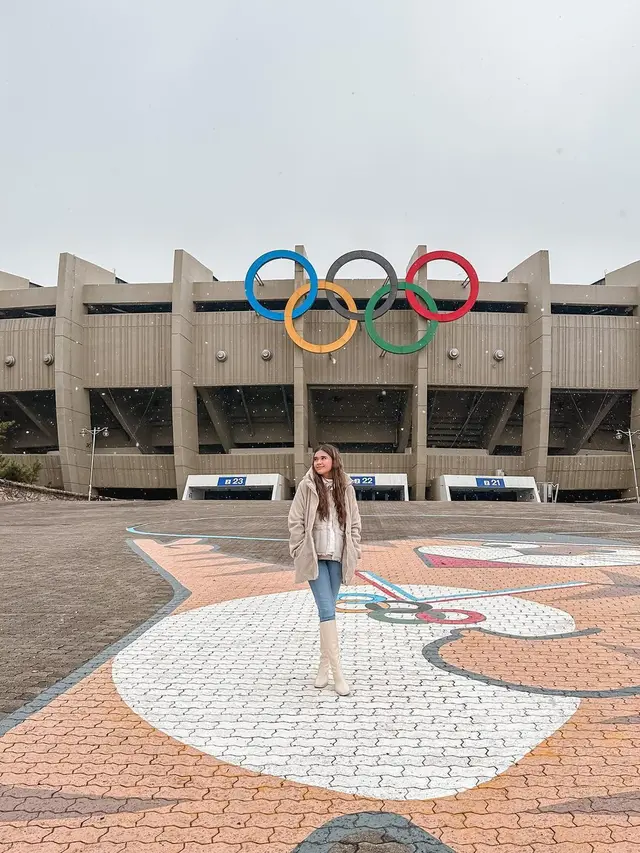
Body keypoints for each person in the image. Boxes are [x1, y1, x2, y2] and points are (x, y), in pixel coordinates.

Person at [287, 444, 362, 696]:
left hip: (338, 556)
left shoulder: (346, 488)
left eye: (323, 458)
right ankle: (338, 674)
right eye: (315, 458)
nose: (318, 462)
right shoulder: (306, 486)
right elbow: (295, 520)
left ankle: (323, 668)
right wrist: (298, 548)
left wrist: (355, 548)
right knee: (328, 610)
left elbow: (355, 523)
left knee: (326, 613)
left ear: (333, 460)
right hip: (314, 556)